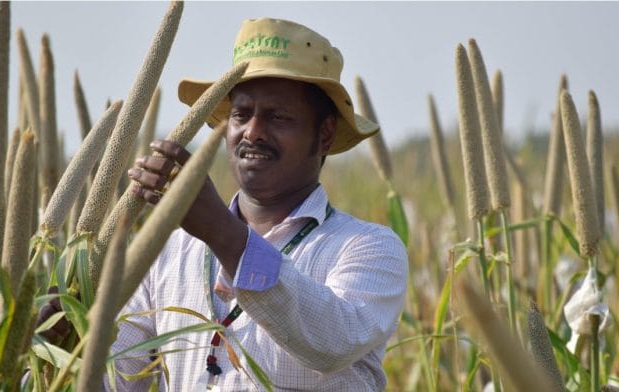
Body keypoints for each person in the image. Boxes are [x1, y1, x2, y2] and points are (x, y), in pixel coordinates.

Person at [114, 17, 408, 391]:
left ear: (325, 133)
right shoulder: (170, 253)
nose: (252, 132)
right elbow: (116, 377)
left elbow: (332, 342)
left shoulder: (367, 248)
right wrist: (60, 349)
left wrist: (222, 231)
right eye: (241, 114)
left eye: (278, 116)